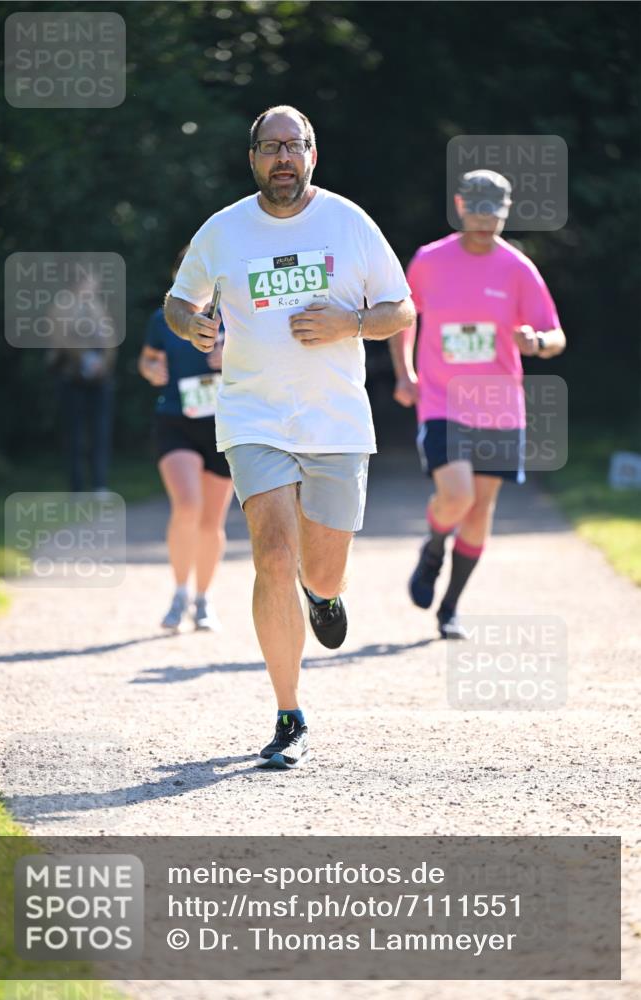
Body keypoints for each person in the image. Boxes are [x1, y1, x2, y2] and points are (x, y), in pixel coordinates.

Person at [164, 105, 414, 768]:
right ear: (252, 158)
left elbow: (401, 307)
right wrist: (191, 324)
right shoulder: (222, 230)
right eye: (269, 146)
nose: (282, 157)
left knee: (320, 568)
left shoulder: (348, 222)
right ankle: (287, 711)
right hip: (252, 416)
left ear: (312, 154)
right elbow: (178, 298)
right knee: (272, 555)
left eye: (293, 145)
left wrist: (350, 322)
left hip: (334, 420)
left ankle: (322, 594)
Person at [390, 169, 566, 639]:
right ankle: (433, 547)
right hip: (442, 398)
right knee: (458, 496)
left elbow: (555, 334)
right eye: (479, 211)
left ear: (505, 213)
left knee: (481, 508)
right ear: (461, 205)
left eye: (497, 213)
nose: (487, 222)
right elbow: (403, 318)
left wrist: (538, 341)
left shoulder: (517, 268)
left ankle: (450, 607)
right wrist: (404, 372)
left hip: (500, 405)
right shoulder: (429, 260)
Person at [138, 249, 234, 632]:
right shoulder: (163, 319)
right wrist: (151, 369)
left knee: (212, 522)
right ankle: (179, 593)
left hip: (222, 424)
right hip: (175, 420)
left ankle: (203, 599)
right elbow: (146, 360)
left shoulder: (236, 317)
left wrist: (231, 356)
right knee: (188, 505)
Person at [47, 273, 116, 496]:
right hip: (71, 377)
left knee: (100, 432)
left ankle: (99, 484)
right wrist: (84, 359)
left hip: (99, 379)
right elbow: (61, 339)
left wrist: (102, 365)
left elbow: (110, 339)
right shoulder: (61, 307)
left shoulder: (98, 307)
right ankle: (76, 487)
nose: (93, 286)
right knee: (74, 434)